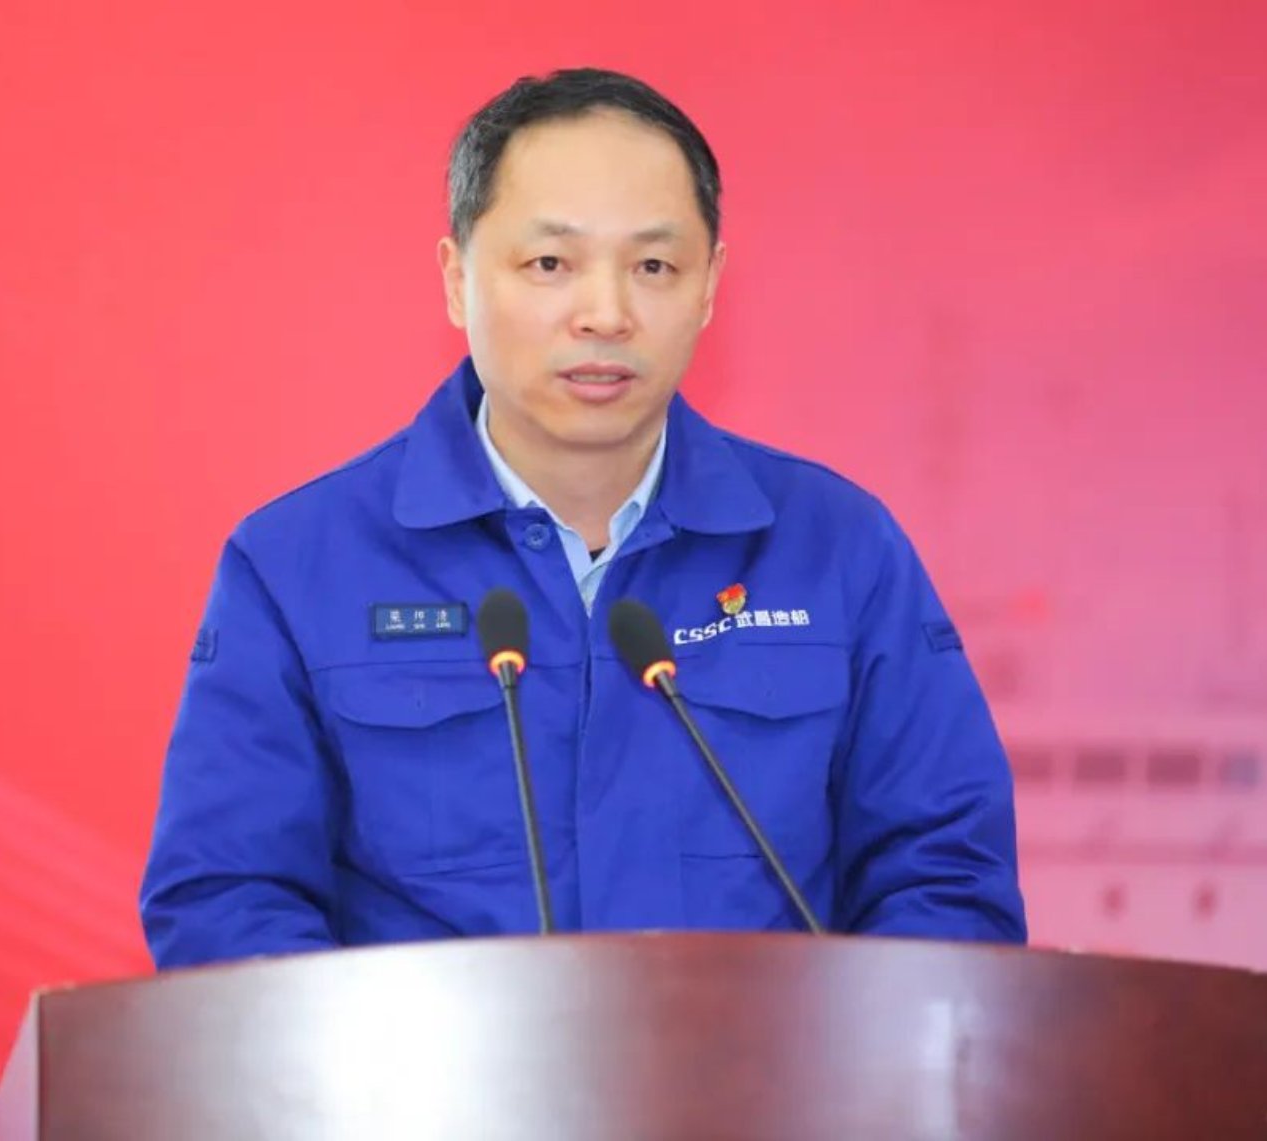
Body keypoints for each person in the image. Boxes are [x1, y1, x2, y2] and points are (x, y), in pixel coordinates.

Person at [139, 67, 1026, 968]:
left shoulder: (836, 549)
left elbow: (944, 876)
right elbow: (227, 900)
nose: (606, 314)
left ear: (709, 286)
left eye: (653, 267)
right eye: (550, 265)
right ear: (457, 279)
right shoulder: (298, 565)